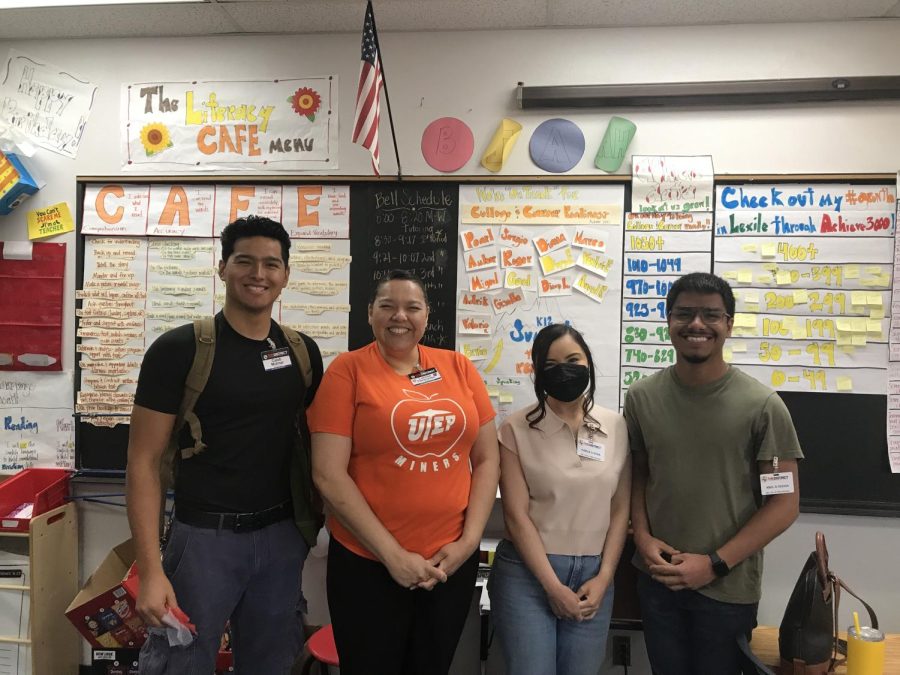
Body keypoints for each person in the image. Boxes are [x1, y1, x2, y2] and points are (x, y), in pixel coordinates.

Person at [125, 215, 323, 674]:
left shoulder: (302, 352)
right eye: (245, 261)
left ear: (286, 275)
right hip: (202, 543)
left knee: (272, 662)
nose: (259, 274)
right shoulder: (178, 350)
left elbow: (314, 445)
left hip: (280, 540)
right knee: (180, 661)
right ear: (223, 268)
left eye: (272, 264)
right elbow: (143, 460)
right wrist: (151, 570)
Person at [308, 269, 500, 675]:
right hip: (368, 565)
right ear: (370, 314)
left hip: (449, 565)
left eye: (412, 307)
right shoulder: (347, 371)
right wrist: (393, 556)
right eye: (387, 306)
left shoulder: (458, 368)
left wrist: (467, 545)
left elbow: (487, 459)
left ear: (426, 316)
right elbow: (328, 474)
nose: (400, 316)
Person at [624, 271, 803, 675]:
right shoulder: (641, 398)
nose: (697, 325)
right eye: (684, 313)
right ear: (668, 321)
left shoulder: (762, 406)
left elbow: (784, 504)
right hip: (659, 582)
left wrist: (714, 563)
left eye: (711, 315)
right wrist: (644, 536)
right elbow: (639, 474)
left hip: (726, 589)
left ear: (729, 324)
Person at [489, 323, 631, 675]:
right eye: (551, 365)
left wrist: (605, 577)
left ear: (588, 364)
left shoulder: (615, 427)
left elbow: (620, 509)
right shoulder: (515, 429)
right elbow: (516, 516)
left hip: (594, 577)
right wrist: (552, 586)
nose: (564, 371)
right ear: (537, 372)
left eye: (572, 360)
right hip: (528, 575)